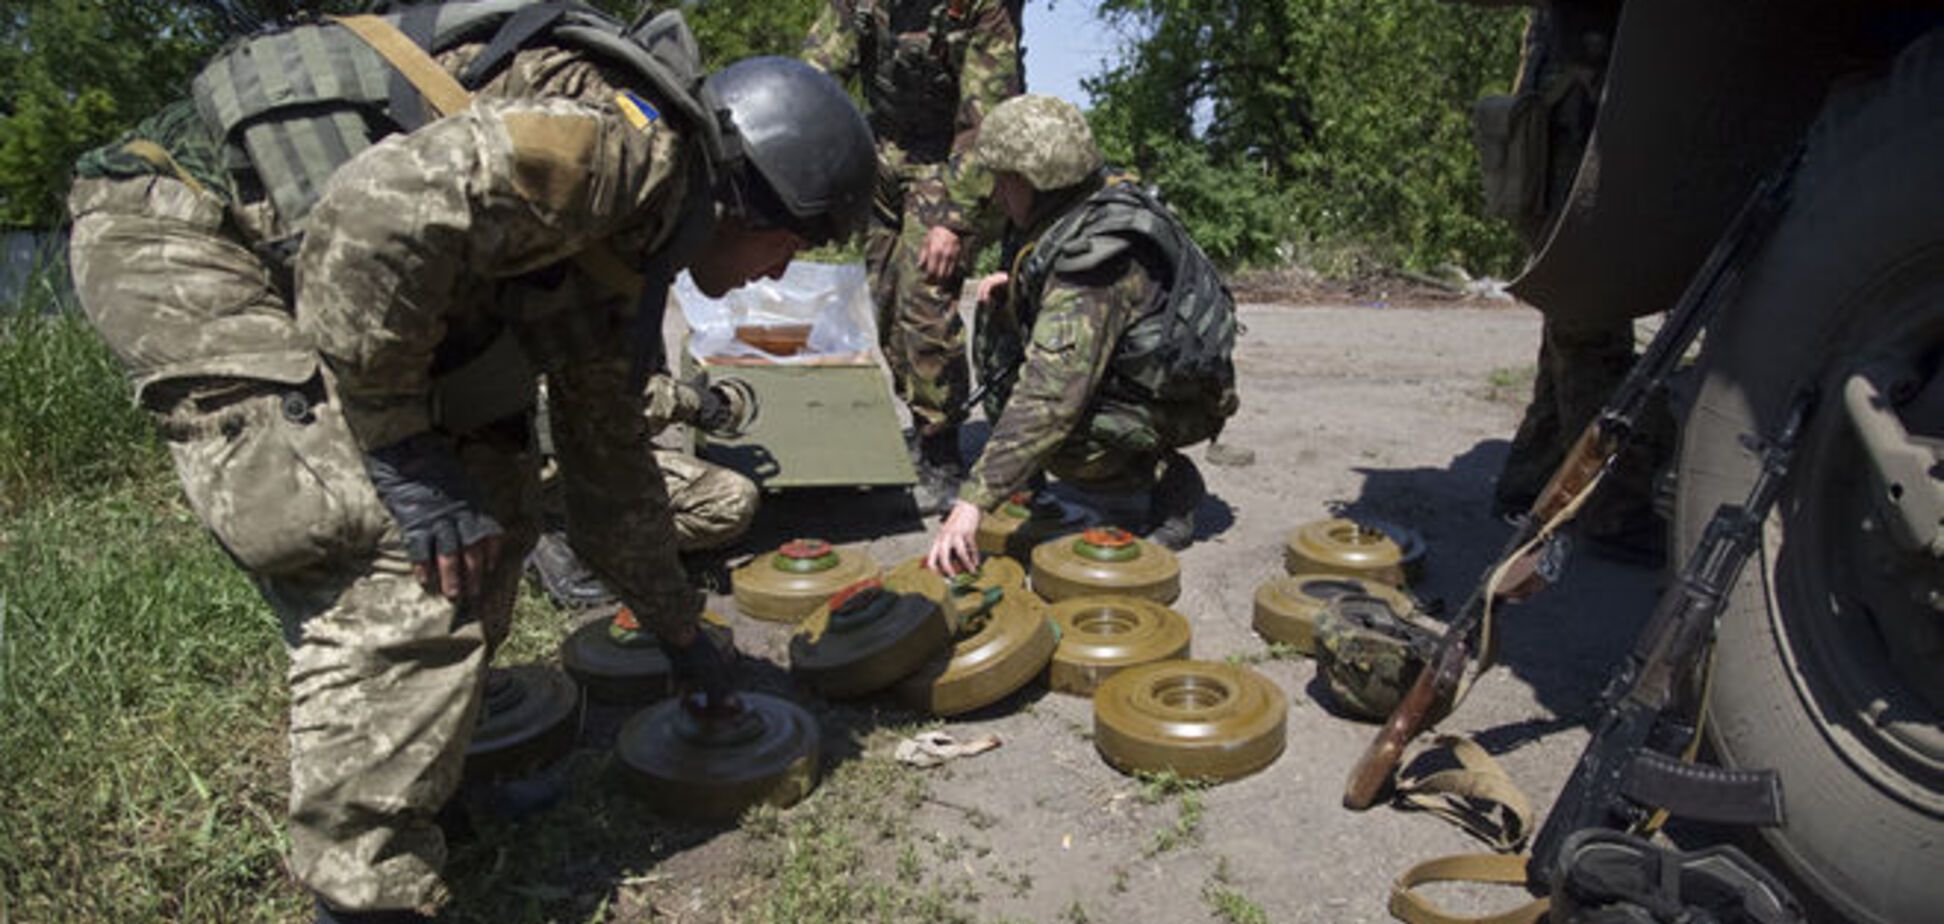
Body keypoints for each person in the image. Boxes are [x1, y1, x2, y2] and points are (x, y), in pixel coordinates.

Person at [64, 5, 874, 921]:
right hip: (185, 230)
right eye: (791, 245)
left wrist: (682, 634)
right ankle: (364, 894)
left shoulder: (637, 249)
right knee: (395, 559)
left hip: (346, 269)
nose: (780, 273)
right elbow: (369, 224)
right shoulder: (619, 155)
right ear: (744, 200)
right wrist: (402, 454)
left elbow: (610, 470)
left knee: (498, 513)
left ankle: (436, 782)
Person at [924, 95, 1239, 574]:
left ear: (1035, 180)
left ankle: (1170, 484)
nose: (999, 193)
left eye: (1005, 180)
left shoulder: (1102, 256)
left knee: (1068, 441)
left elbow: (1051, 397)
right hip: (1129, 371)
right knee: (997, 311)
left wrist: (972, 504)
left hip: (1176, 399)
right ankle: (1023, 476)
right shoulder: (1073, 206)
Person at [802, 0, 1024, 512]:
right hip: (879, 152)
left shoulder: (982, 9)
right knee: (883, 296)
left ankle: (942, 450)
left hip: (951, 159)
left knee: (924, 293)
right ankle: (921, 423)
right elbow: (818, 71)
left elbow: (986, 116)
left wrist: (955, 217)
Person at [1480, 1, 1670, 563]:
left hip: (1578, 110)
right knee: (1589, 323)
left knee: (1572, 320)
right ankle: (1613, 508)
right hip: (1579, 116)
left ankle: (1531, 481)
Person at [527, 370, 762, 607]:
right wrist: (692, 400)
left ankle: (610, 544)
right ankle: (547, 535)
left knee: (731, 500)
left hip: (599, 461)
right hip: (539, 481)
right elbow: (587, 408)